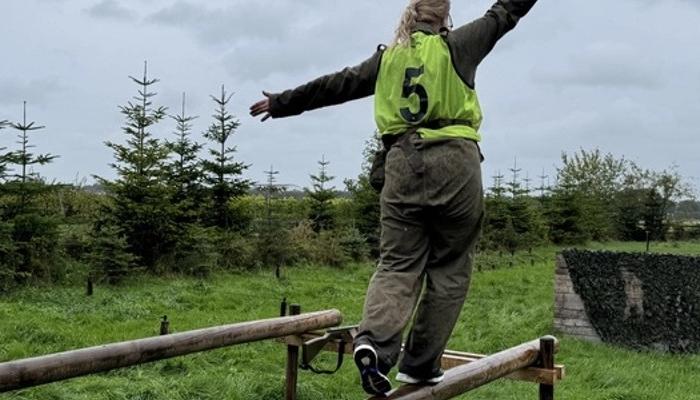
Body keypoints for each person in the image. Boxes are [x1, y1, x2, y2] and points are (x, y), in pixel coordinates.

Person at [250, 0, 538, 395]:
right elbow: (506, 11)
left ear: (411, 16)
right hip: (456, 167)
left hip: (402, 166)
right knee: (450, 269)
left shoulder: (387, 59)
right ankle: (420, 365)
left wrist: (281, 102)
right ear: (444, 18)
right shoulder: (458, 45)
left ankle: (374, 343)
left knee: (397, 265)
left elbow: (336, 85)